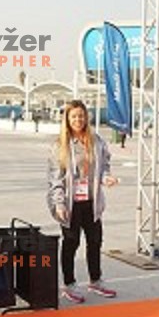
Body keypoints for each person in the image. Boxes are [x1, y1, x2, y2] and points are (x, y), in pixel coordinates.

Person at [47, 99, 119, 304]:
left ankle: (95, 280)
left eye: (81, 115)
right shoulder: (59, 145)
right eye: (74, 116)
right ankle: (69, 284)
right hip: (70, 204)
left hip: (91, 201)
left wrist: (107, 178)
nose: (78, 120)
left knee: (95, 241)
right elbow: (55, 177)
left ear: (86, 117)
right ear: (67, 120)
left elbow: (104, 166)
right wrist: (59, 203)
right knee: (71, 243)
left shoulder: (96, 141)